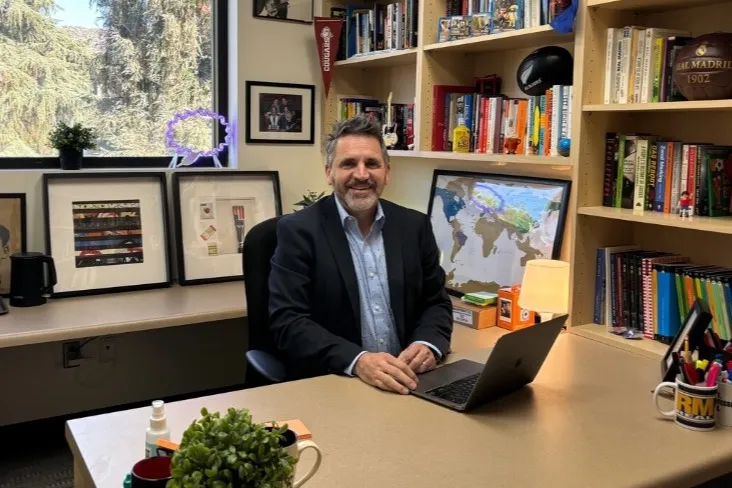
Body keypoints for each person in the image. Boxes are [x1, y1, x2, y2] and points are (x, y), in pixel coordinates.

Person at [268, 114, 453, 394]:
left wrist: (427, 344)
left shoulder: (414, 226)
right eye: (349, 164)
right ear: (329, 172)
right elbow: (288, 322)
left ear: (387, 172)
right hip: (337, 382)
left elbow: (436, 303)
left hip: (409, 380)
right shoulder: (298, 231)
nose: (362, 174)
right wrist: (357, 361)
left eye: (372, 164)